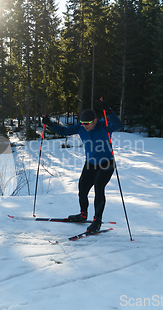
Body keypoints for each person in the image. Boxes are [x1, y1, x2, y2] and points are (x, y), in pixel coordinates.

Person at [42, 99, 122, 232]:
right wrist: (50, 123)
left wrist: (109, 112)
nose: (85, 126)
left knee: (99, 187)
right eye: (83, 123)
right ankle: (83, 215)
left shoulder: (104, 125)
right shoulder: (80, 128)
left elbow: (118, 125)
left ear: (95, 121)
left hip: (106, 163)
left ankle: (97, 221)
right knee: (83, 188)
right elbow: (64, 131)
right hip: (90, 164)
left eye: (87, 123)